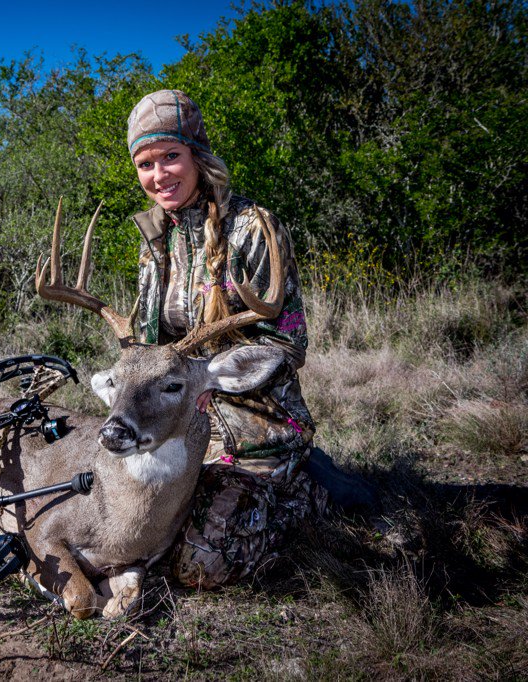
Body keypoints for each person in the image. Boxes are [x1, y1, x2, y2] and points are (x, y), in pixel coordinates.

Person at [125, 89, 332, 588]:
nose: (160, 176)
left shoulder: (252, 229)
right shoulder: (154, 241)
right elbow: (150, 347)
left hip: (251, 426)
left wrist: (208, 380)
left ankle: (305, 495)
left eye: (171, 156)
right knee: (128, 528)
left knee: (197, 565)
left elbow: (287, 345)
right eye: (146, 164)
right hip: (175, 420)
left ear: (197, 154)